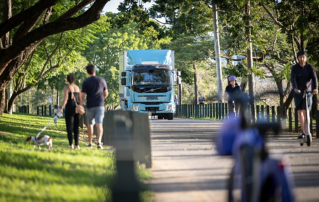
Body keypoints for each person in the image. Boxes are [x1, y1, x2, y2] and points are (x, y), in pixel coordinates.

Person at [291, 50, 318, 139]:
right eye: (300, 57)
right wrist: (295, 88)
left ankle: (308, 131)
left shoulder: (310, 67)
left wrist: (315, 88)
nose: (302, 59)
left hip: (308, 92)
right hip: (298, 92)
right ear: (298, 58)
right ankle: (303, 132)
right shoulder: (295, 68)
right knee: (300, 112)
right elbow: (293, 79)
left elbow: (314, 78)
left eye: (303, 57)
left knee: (307, 112)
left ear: (306, 58)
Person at [80, 64, 108, 149]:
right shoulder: (102, 80)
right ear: (94, 71)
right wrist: (101, 99)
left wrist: (81, 104)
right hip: (100, 105)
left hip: (90, 106)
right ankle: (99, 142)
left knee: (90, 124)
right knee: (99, 124)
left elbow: (82, 95)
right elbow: (106, 93)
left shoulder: (86, 82)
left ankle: (90, 143)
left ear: (87, 72)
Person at [60, 74, 82, 149]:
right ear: (74, 80)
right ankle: (77, 145)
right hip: (77, 108)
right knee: (76, 127)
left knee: (69, 127)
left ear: (67, 80)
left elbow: (66, 99)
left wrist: (61, 107)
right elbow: (80, 99)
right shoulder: (77, 88)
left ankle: (71, 144)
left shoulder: (67, 88)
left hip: (69, 108)